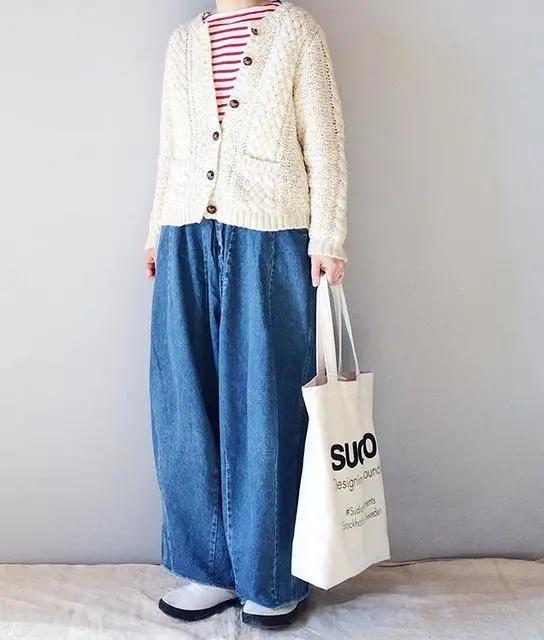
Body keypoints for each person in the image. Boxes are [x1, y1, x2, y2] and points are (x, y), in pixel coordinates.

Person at [143, 0, 348, 629]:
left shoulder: (297, 32)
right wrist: (155, 233)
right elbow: (171, 148)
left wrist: (329, 237)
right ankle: (208, 570)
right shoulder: (184, 42)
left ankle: (270, 577)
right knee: (185, 404)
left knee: (264, 406)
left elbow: (326, 142)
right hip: (185, 234)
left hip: (270, 238)